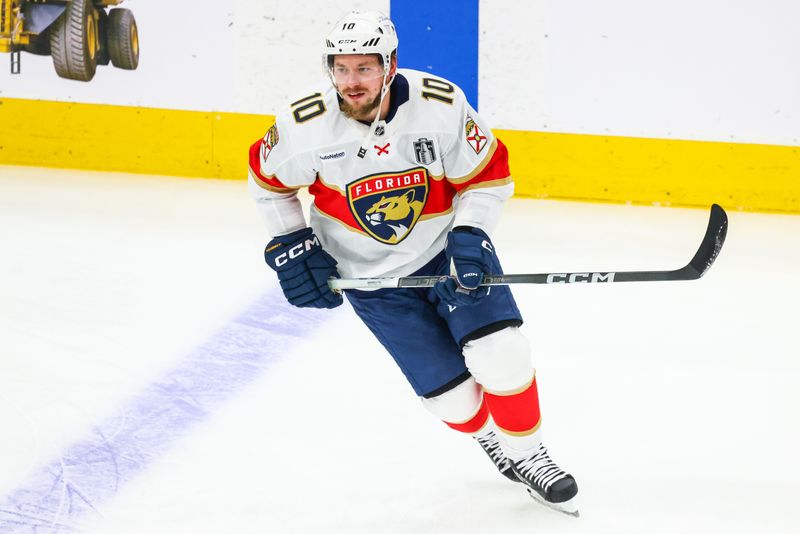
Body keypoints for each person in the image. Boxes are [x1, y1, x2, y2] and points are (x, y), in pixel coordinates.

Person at [248, 10, 579, 516]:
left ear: (390, 65)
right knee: (452, 401)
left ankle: (531, 454)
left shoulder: (439, 105)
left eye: (364, 67)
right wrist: (293, 243)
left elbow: (489, 175)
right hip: (369, 278)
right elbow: (268, 184)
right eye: (341, 68)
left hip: (445, 254)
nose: (351, 81)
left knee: (501, 353)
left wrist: (470, 237)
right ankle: (490, 435)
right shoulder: (303, 123)